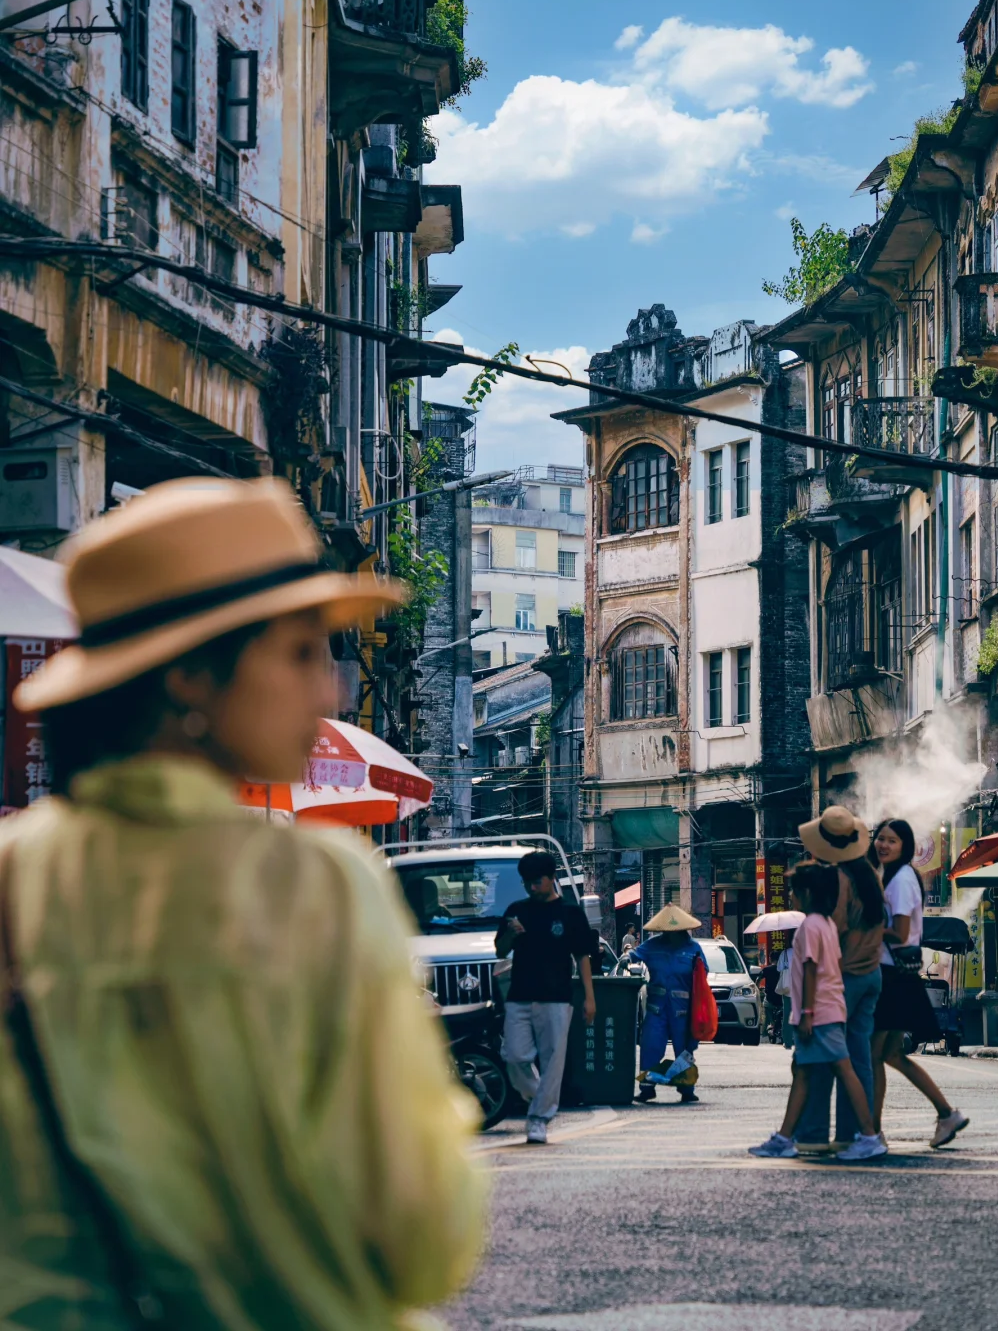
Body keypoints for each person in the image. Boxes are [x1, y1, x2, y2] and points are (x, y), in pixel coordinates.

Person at [0, 477, 487, 1330]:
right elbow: (420, 1232)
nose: (329, 693)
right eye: (301, 653)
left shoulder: (13, 882)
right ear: (189, 674)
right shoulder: (314, 885)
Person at [749, 861, 887, 1161]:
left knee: (840, 1069)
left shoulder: (810, 926)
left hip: (819, 1015)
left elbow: (811, 969)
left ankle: (868, 1135)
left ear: (808, 893)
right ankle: (786, 1136)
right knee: (803, 1072)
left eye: (794, 892)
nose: (790, 897)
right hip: (829, 1010)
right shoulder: (826, 925)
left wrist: (808, 1012)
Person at [870, 818, 969, 1149]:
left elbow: (898, 933)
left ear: (905, 846)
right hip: (898, 975)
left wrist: (862, 929)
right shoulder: (894, 876)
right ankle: (946, 1113)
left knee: (875, 1056)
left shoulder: (899, 880)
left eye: (892, 841)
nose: (883, 845)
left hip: (894, 977)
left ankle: (872, 1132)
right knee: (892, 1056)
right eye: (880, 838)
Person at [796, 806, 885, 1150]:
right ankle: (852, 1133)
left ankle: (813, 1133)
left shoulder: (837, 880)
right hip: (871, 973)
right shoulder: (870, 875)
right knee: (858, 1058)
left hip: (844, 977)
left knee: (822, 1055)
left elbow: (832, 929)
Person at [495, 850, 596, 1145]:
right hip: (519, 996)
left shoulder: (570, 913)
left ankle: (538, 1118)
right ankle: (538, 1094)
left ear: (552, 878)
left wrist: (590, 997)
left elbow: (582, 956)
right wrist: (511, 935)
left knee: (553, 1060)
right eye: (526, 883)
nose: (531, 887)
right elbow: (500, 951)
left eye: (536, 881)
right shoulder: (517, 910)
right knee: (514, 1055)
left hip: (556, 998)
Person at [631, 904, 708, 1105]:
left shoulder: (693, 949)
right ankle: (647, 1088)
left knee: (686, 1049)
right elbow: (633, 957)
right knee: (650, 1045)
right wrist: (625, 956)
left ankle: (686, 1088)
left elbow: (703, 976)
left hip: (684, 1010)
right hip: (657, 1009)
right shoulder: (652, 945)